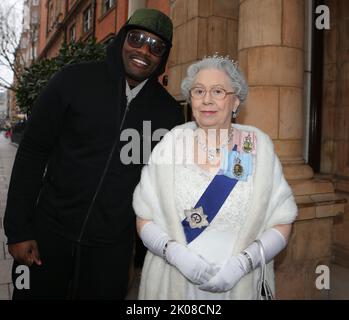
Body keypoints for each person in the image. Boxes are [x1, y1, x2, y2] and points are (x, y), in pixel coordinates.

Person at [4, 8, 183, 300]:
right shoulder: (72, 81)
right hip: (48, 236)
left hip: (110, 253)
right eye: (136, 38)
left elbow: (160, 186)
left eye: (155, 46)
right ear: (123, 38)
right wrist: (18, 230)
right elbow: (32, 153)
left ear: (163, 56)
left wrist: (140, 259)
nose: (143, 50)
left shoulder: (168, 113)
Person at [133, 55, 298, 299]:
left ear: (235, 102)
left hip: (239, 285)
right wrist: (174, 253)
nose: (207, 100)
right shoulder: (170, 144)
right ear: (191, 99)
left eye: (218, 91)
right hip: (174, 284)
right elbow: (144, 216)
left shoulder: (255, 146)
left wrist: (244, 263)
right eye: (199, 91)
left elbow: (282, 221)